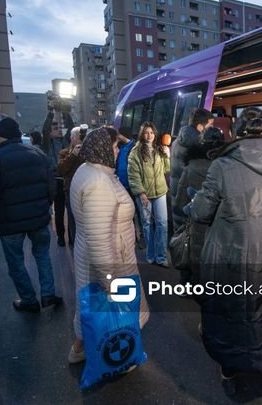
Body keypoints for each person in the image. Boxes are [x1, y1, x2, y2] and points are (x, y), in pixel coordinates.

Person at [190, 107, 262, 400]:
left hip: (236, 258)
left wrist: (193, 203)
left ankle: (230, 375)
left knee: (233, 317)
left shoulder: (223, 166)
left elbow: (201, 213)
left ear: (237, 134)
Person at [67, 126, 150, 363]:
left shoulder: (87, 171)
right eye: (114, 147)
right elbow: (101, 239)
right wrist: (113, 284)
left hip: (95, 257)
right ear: (103, 148)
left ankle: (81, 349)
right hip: (111, 261)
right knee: (113, 318)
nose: (117, 152)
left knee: (93, 313)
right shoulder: (99, 183)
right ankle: (118, 362)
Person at [0, 117, 62, 313]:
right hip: (39, 218)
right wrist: (44, 205)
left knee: (16, 261)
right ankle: (48, 293)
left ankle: (28, 299)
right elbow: (51, 186)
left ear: (1, 136)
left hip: (9, 222)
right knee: (43, 256)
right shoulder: (37, 154)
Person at [173, 126, 225, 287]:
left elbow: (179, 202)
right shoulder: (226, 168)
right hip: (219, 228)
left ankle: (188, 285)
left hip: (195, 225)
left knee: (192, 258)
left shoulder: (190, 167)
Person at [127, 121, 171, 267]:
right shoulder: (135, 152)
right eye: (146, 132)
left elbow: (166, 169)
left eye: (151, 132)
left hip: (160, 192)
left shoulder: (159, 149)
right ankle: (151, 255)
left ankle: (161, 256)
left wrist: (167, 156)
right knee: (147, 224)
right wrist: (141, 193)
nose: (149, 135)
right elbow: (133, 175)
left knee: (162, 224)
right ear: (141, 134)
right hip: (144, 194)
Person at [169, 108, 214, 231]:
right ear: (200, 127)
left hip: (177, 200)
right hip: (190, 204)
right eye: (210, 125)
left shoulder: (176, 142)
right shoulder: (199, 147)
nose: (212, 128)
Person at [42, 116, 71, 247]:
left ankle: (71, 237)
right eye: (55, 128)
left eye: (60, 128)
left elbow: (70, 128)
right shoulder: (48, 145)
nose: (59, 130)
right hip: (57, 182)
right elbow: (45, 129)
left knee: (71, 211)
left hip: (68, 181)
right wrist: (50, 114)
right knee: (59, 212)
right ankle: (61, 236)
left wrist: (66, 112)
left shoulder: (66, 142)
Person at [57, 125, 87, 247]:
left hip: (87, 191)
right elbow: (61, 170)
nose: (81, 140)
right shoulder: (64, 153)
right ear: (73, 138)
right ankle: (74, 244)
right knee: (73, 220)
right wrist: (73, 154)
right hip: (71, 192)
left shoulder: (88, 151)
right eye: (80, 137)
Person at [115, 131, 144, 249]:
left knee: (139, 211)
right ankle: (133, 237)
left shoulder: (133, 146)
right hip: (121, 186)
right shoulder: (119, 147)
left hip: (132, 185)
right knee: (128, 213)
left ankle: (142, 237)